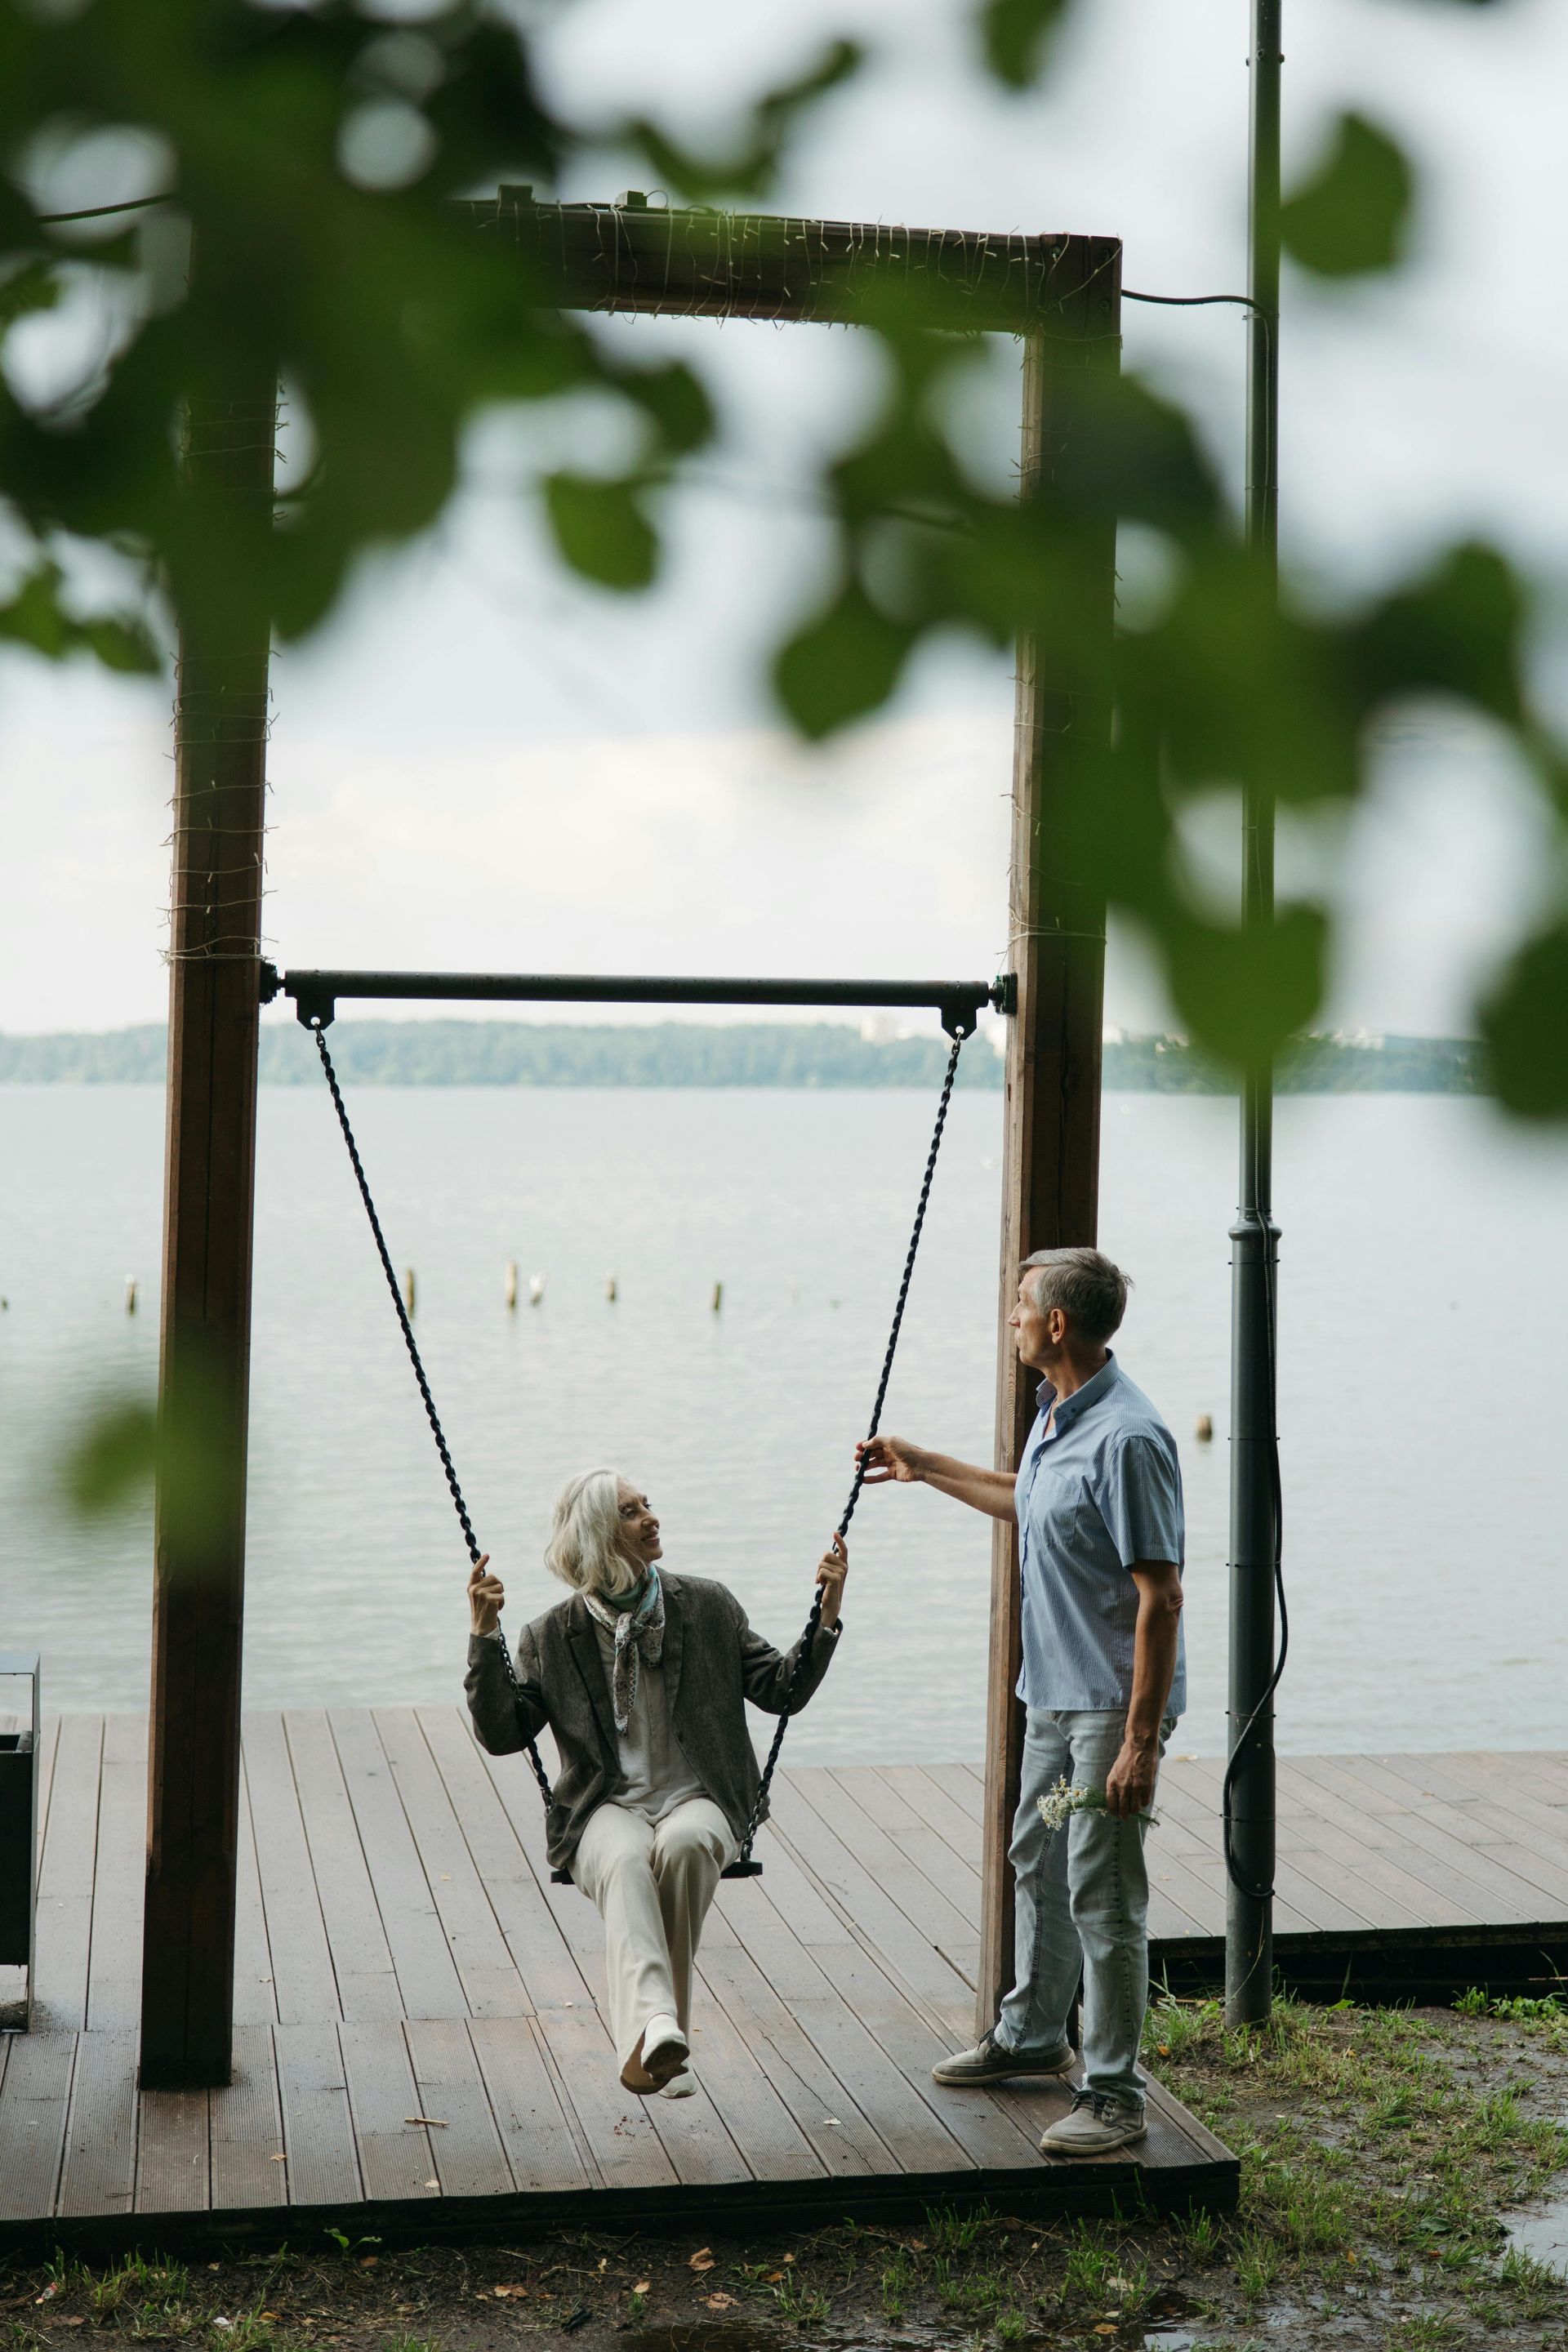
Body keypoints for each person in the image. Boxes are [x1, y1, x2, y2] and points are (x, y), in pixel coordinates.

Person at [856, 1245, 1184, 2157]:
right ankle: (1034, 2036)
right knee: (1036, 1855)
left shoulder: (1128, 1438)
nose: (1007, 1318)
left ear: (1055, 1325)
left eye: (1018, 1306)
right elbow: (1026, 1498)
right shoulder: (1056, 1416)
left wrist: (1141, 1743)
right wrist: (922, 1462)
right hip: (1052, 1696)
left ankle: (1115, 2095)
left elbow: (1162, 1597)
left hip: (1110, 1713)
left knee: (1103, 1891)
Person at [466, 1470, 846, 2096]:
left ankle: (653, 2032)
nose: (650, 1517)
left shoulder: (707, 1606)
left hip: (699, 1794)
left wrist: (826, 1615)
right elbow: (505, 1732)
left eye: (648, 1504)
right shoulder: (550, 1636)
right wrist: (484, 1635)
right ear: (595, 1536)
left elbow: (783, 1690)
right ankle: (662, 2032)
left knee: (686, 1846)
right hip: (603, 1803)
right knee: (624, 1861)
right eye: (630, 1511)